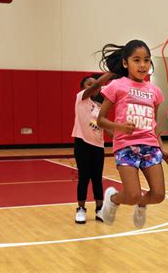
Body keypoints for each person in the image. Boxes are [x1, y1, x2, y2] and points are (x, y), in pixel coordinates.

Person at [97, 39, 168, 228]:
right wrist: (120, 127)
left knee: (158, 195)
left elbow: (153, 125)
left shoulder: (155, 91)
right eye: (136, 60)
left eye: (147, 60)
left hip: (150, 146)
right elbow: (100, 120)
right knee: (131, 195)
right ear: (125, 63)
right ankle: (113, 199)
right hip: (125, 146)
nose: (142, 65)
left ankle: (143, 204)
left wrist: (162, 149)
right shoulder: (117, 86)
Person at [72, 72, 114, 224]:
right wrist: (111, 73)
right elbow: (96, 86)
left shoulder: (99, 106)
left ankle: (99, 209)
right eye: (89, 84)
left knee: (97, 179)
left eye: (94, 84)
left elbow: (103, 124)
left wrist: (117, 136)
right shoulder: (80, 98)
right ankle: (81, 209)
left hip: (98, 146)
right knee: (84, 178)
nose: (93, 86)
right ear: (83, 88)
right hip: (82, 144)